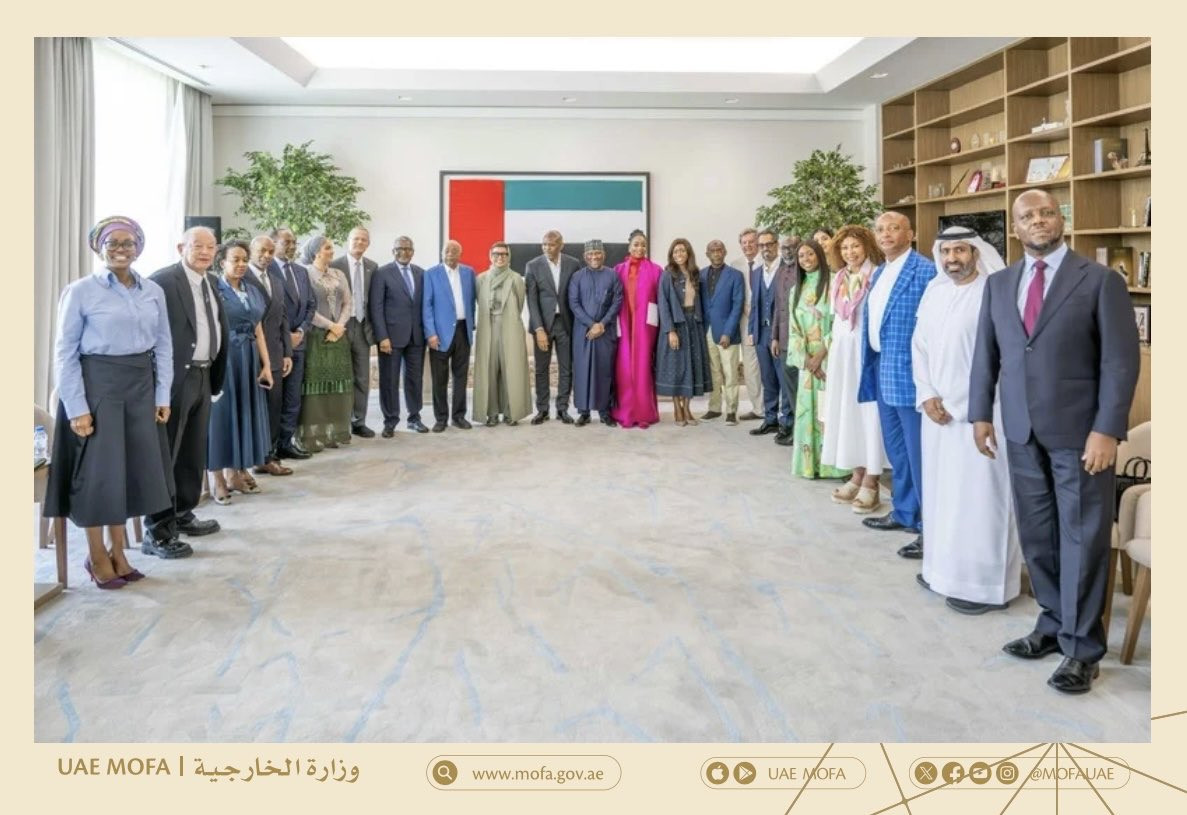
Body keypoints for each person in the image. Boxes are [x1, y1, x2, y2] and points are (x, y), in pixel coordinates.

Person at [970, 189, 1140, 694]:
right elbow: (987, 353)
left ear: (1060, 220)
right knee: (1038, 534)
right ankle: (1051, 624)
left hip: (1082, 435)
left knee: (1083, 539)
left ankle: (1082, 650)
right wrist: (980, 414)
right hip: (1020, 430)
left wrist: (1107, 429)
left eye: (1047, 212)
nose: (1038, 220)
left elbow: (1120, 362)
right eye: (1028, 216)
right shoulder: (999, 284)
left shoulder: (1100, 280)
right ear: (1015, 228)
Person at [44, 216, 174, 586]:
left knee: (129, 473)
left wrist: (162, 394)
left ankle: (119, 552)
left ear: (138, 248)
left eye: (128, 242)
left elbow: (164, 345)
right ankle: (96, 555)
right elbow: (64, 352)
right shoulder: (81, 291)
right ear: (99, 248)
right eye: (112, 242)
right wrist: (77, 408)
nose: (120, 249)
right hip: (97, 387)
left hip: (141, 387)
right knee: (99, 476)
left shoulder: (153, 291)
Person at [914, 226, 1020, 614]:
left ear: (976, 253)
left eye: (960, 250)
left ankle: (985, 587)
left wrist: (963, 403)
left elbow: (1003, 356)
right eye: (946, 252)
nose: (952, 259)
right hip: (937, 414)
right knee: (943, 497)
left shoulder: (996, 292)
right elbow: (919, 346)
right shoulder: (934, 291)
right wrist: (927, 394)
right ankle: (942, 572)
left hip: (984, 414)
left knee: (981, 501)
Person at [144, 226, 230, 558]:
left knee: (192, 452)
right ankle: (158, 531)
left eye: (211, 246)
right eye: (198, 246)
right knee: (166, 453)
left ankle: (182, 513)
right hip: (175, 379)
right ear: (181, 247)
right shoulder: (163, 281)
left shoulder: (210, 281)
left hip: (204, 375)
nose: (205, 252)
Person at [858, 212, 936, 559]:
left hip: (910, 375)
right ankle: (905, 511)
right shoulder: (880, 271)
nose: (886, 234)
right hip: (881, 370)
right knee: (897, 451)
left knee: (919, 454)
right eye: (880, 229)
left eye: (894, 228)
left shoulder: (925, 271)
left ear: (911, 233)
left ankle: (928, 526)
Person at [821, 225, 886, 513]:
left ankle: (872, 480)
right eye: (845, 248)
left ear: (867, 246)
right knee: (848, 413)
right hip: (842, 356)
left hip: (865, 354)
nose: (850, 252)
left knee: (869, 415)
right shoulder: (838, 278)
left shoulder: (877, 276)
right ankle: (857, 474)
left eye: (855, 246)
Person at [206, 240, 274, 503]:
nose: (241, 264)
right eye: (235, 259)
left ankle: (235, 474)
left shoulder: (253, 290)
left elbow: (258, 330)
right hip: (223, 358)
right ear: (222, 262)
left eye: (244, 259)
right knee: (221, 418)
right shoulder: (213, 289)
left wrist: (266, 365)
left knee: (244, 415)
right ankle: (217, 479)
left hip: (250, 358)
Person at [786, 239, 848, 479]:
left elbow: (840, 323)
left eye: (810, 254)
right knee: (807, 413)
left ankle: (834, 466)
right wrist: (806, 360)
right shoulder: (796, 290)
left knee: (828, 411)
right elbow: (793, 329)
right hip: (807, 362)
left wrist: (821, 355)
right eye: (801, 256)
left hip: (830, 357)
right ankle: (809, 465)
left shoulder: (835, 283)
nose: (806, 259)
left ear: (820, 255)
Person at [297, 235, 353, 451]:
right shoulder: (305, 273)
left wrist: (339, 327)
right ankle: (312, 435)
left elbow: (348, 302)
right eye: (328, 247)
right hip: (315, 336)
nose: (332, 251)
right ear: (316, 252)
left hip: (338, 337)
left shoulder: (339, 274)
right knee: (314, 387)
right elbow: (306, 307)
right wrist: (330, 326)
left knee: (336, 385)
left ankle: (332, 432)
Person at [244, 235, 293, 477]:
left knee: (274, 408)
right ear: (251, 251)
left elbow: (283, 318)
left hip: (274, 354)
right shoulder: (241, 277)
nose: (266, 256)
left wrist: (287, 353)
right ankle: (245, 461)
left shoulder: (276, 279)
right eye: (262, 250)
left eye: (271, 252)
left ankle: (268, 457)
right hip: (247, 354)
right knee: (249, 410)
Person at [369, 235, 427, 437]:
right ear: (393, 251)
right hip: (391, 338)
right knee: (389, 380)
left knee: (415, 379)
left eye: (408, 249)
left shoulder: (421, 273)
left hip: (416, 337)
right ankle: (390, 421)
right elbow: (376, 307)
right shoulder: (382, 273)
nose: (404, 252)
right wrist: (382, 336)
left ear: (413, 252)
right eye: (400, 249)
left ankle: (414, 418)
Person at [524, 230, 581, 425]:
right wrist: (539, 329)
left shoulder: (573, 264)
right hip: (543, 326)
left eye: (552, 244)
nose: (547, 248)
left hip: (566, 324)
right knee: (541, 369)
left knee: (566, 368)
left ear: (561, 245)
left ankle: (563, 409)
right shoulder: (533, 266)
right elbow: (532, 300)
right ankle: (542, 410)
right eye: (545, 244)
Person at [473, 242, 532, 427]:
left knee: (511, 370)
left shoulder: (516, 278)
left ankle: (510, 412)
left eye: (504, 254)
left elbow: (520, 303)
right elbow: (479, 301)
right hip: (488, 327)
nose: (500, 257)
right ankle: (490, 413)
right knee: (489, 371)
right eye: (496, 254)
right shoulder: (481, 279)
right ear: (490, 256)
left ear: (509, 257)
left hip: (510, 327)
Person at [270, 227, 316, 460]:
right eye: (286, 242)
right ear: (273, 243)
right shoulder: (264, 269)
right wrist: (286, 335)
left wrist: (301, 330)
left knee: (292, 397)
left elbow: (311, 305)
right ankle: (269, 448)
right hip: (276, 344)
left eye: (294, 242)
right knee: (274, 399)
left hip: (299, 342)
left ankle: (286, 443)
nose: (291, 246)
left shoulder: (301, 271)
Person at [655, 238, 712, 426]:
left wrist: (702, 325)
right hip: (676, 324)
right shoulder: (667, 275)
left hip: (693, 324)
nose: (679, 254)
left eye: (682, 250)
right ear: (671, 255)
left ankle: (687, 408)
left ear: (688, 253)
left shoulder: (695, 274)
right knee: (676, 368)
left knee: (692, 367)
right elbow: (663, 304)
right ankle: (677, 408)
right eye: (675, 251)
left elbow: (701, 302)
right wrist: (670, 331)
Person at [422, 239, 477, 432]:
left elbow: (472, 301)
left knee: (461, 377)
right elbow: (426, 306)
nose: (450, 253)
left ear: (460, 254)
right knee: (440, 379)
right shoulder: (431, 274)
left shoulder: (469, 273)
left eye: (454, 250)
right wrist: (430, 333)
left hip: (463, 331)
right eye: (447, 250)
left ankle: (459, 416)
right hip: (439, 334)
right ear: (441, 253)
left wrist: (472, 324)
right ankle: (441, 418)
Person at [569, 239, 624, 426]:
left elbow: (617, 301)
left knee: (604, 371)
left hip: (605, 332)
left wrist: (602, 324)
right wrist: (591, 324)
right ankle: (583, 412)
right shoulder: (577, 277)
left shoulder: (613, 275)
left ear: (603, 255)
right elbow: (574, 303)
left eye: (597, 253)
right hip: (582, 332)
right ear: (585, 256)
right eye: (590, 254)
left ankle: (604, 412)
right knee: (582, 371)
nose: (594, 257)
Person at [748, 229, 796, 441]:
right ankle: (770, 418)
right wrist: (752, 331)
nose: (765, 248)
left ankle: (787, 422)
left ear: (776, 244)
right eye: (762, 245)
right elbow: (755, 304)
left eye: (769, 244)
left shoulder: (788, 268)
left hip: (781, 333)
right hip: (761, 332)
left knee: (784, 379)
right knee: (767, 379)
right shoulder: (757, 271)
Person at [330, 226, 378, 438]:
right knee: (340, 376)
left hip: (363, 327)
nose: (359, 242)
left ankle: (359, 421)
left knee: (362, 378)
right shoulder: (334, 265)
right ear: (348, 241)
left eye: (363, 240)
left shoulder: (372, 267)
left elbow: (374, 301)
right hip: (341, 326)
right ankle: (340, 422)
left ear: (368, 244)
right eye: (356, 239)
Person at [612, 230, 661, 428]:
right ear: (629, 246)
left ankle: (644, 412)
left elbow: (661, 300)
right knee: (623, 368)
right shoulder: (618, 270)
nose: (640, 248)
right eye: (636, 244)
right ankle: (625, 412)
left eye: (643, 245)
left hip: (645, 327)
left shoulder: (656, 270)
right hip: (624, 325)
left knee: (643, 368)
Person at [698, 239, 745, 425]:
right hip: (707, 331)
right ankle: (714, 408)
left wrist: (728, 332)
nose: (716, 253)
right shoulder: (701, 275)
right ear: (707, 254)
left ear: (725, 252)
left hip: (727, 332)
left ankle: (731, 411)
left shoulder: (735, 275)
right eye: (713, 250)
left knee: (730, 373)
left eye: (719, 250)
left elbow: (737, 305)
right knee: (713, 372)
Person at [730, 228, 764, 420]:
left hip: (766, 319)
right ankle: (758, 408)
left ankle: (773, 407)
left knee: (768, 363)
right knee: (750, 366)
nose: (748, 245)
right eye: (744, 243)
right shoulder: (735, 265)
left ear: (758, 242)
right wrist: (743, 306)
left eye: (751, 242)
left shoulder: (768, 261)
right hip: (746, 320)